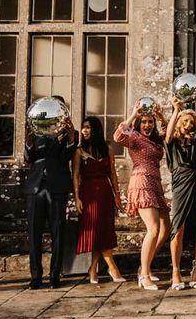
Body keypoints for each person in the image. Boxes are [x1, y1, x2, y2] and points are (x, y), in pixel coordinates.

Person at [114, 102, 169, 290]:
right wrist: (133, 114)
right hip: (142, 182)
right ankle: (144, 275)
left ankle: (144, 267)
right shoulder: (134, 137)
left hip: (155, 183)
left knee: (165, 228)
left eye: (150, 122)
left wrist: (161, 117)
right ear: (139, 124)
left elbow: (169, 134)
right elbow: (118, 136)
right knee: (153, 229)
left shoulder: (154, 140)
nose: (147, 125)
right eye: (144, 122)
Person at [23, 100, 77, 289]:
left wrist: (70, 138)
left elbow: (66, 158)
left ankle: (55, 275)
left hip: (57, 186)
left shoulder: (69, 133)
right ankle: (35, 276)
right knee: (34, 233)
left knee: (58, 232)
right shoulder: (36, 131)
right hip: (35, 187)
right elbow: (29, 158)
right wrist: (28, 142)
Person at [165, 89, 196, 290]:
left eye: (190, 122)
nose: (188, 125)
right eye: (184, 122)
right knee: (178, 227)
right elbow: (168, 134)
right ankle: (175, 271)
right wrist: (176, 110)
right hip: (181, 182)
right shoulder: (172, 143)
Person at [73, 116, 125, 284]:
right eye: (83, 127)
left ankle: (93, 269)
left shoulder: (108, 148)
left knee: (103, 230)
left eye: (88, 127)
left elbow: (112, 173)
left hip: (105, 192)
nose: (85, 130)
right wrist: (76, 198)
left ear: (95, 129)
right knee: (94, 230)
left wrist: (117, 195)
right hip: (87, 193)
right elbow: (75, 175)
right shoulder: (79, 150)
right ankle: (112, 268)